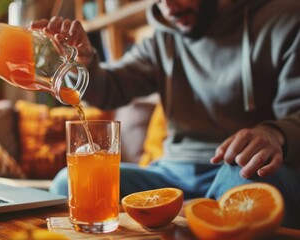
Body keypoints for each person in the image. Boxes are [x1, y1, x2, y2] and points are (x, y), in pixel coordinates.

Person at [31, 0, 300, 228]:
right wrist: (86, 60)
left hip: (240, 169)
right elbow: (110, 88)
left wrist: (275, 132)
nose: (169, 8)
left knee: (246, 182)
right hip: (173, 173)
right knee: (71, 182)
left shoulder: (285, 19)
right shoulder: (163, 40)